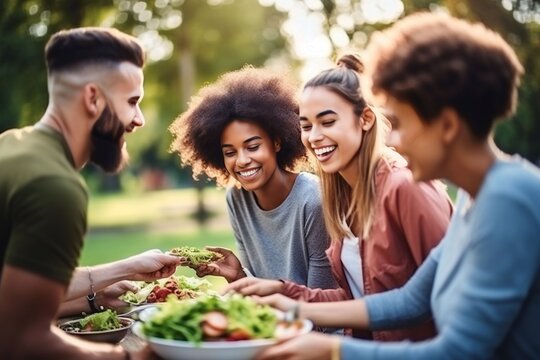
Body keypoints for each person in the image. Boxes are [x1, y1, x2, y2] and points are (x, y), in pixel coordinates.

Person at [248, 12, 540, 360]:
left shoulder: (510, 200)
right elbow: (411, 300)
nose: (394, 140)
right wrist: (292, 308)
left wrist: (333, 350)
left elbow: (461, 351)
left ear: (446, 125)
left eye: (399, 123)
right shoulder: (473, 198)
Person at [226, 54, 453, 342]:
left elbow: (448, 295)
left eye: (328, 122)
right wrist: (281, 291)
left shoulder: (406, 187)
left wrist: (294, 308)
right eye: (306, 126)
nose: (314, 136)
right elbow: (355, 296)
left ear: (366, 119)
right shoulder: (341, 199)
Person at [0, 27, 181, 359]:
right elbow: (20, 340)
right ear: (93, 98)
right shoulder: (54, 185)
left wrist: (122, 271)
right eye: (132, 102)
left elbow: (12, 293)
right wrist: (130, 357)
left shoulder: (12, 144)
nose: (138, 119)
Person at [169, 67, 336, 291]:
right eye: (230, 152)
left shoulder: (313, 200)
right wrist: (238, 275)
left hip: (314, 324)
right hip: (271, 322)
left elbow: (321, 299)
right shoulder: (236, 199)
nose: (242, 160)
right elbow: (257, 294)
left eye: (253, 147)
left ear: (276, 143)